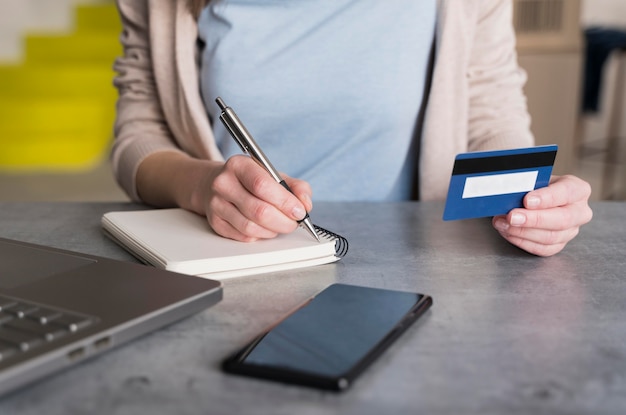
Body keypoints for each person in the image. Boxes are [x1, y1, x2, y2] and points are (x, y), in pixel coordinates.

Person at [111, 0, 592, 257]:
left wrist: (530, 201)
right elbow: (140, 131)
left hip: (417, 263)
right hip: (232, 259)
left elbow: (489, 105)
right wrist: (202, 186)